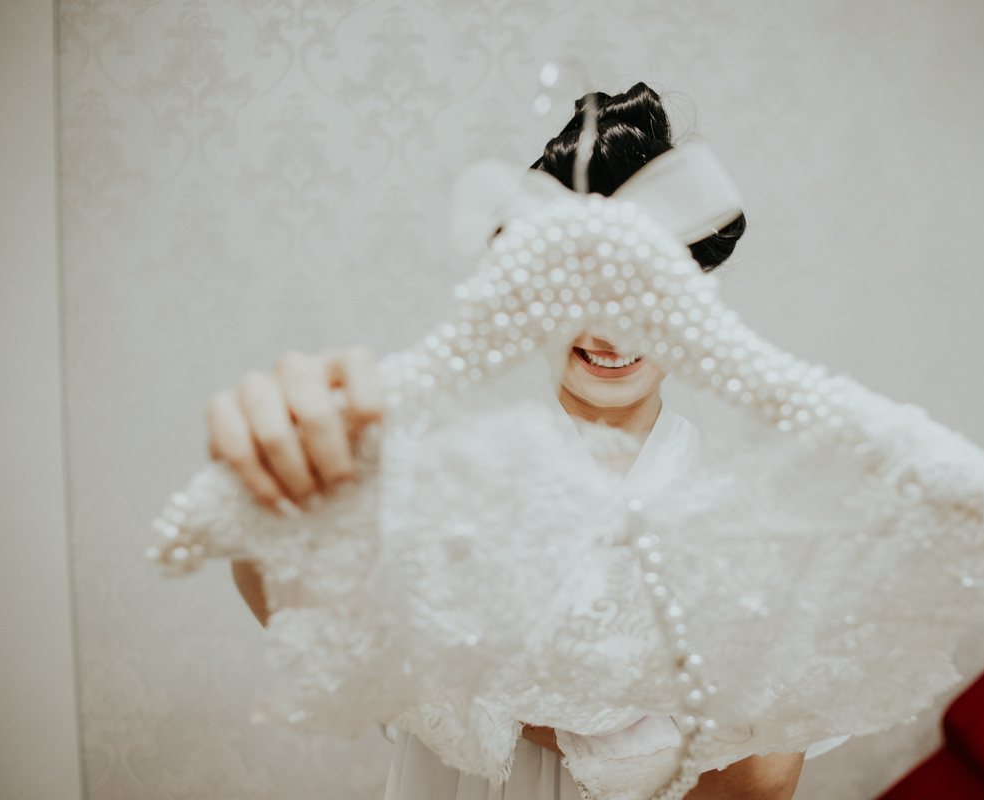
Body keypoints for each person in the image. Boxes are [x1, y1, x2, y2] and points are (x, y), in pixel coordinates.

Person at [209, 83, 809, 799]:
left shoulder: (738, 508)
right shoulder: (449, 467)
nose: (613, 329)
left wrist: (497, 689)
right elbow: (301, 606)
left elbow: (763, 780)